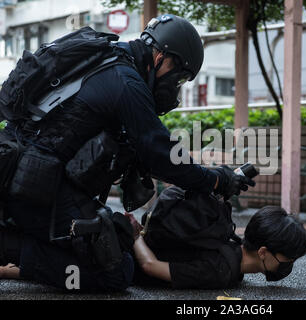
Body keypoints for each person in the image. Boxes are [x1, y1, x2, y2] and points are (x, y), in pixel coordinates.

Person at [0, 14, 255, 292]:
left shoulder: (106, 59)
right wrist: (215, 180)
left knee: (114, 239)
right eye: (179, 76)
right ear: (161, 57)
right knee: (116, 273)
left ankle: (29, 244)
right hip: (35, 186)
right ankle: (8, 245)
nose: (176, 86)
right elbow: (161, 155)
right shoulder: (126, 81)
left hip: (22, 170)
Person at [129, 205, 306, 289]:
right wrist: (135, 236)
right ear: (263, 252)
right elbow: (150, 266)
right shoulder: (219, 271)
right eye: (288, 259)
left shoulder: (227, 239)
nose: (289, 265)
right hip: (123, 263)